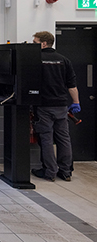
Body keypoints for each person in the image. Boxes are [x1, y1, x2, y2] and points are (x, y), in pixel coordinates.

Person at [31, 31, 81, 182]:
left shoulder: (35, 60)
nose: (33, 45)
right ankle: (65, 172)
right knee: (63, 139)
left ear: (44, 43)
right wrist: (76, 102)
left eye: (35, 42)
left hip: (44, 106)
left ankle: (50, 172)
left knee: (46, 138)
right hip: (61, 106)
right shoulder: (64, 60)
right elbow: (71, 85)